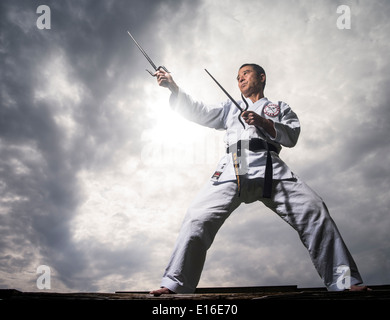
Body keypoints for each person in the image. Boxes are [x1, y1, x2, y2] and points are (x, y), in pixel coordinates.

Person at [150, 64, 367, 295]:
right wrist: (174, 88)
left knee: (315, 209)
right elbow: (199, 110)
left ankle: (343, 282)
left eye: (245, 73)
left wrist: (264, 122)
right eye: (237, 77)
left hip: (268, 162)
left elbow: (292, 135)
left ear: (261, 77)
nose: (240, 78)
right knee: (197, 217)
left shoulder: (279, 107)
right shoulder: (228, 109)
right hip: (236, 161)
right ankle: (176, 284)